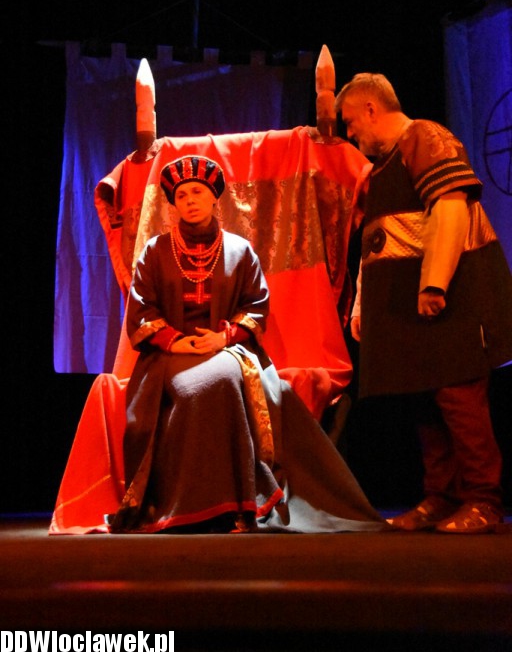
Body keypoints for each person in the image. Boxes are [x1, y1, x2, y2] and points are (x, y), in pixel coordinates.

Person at [107, 154, 387, 534]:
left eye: (197, 192)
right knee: (193, 388)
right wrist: (176, 341)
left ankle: (238, 503)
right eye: (182, 195)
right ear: (173, 204)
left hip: (228, 349)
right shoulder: (155, 252)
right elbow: (141, 312)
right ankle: (187, 504)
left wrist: (222, 337)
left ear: (213, 198)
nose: (190, 200)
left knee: (222, 379)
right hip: (167, 355)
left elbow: (256, 307)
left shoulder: (240, 250)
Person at [335, 73, 512, 534]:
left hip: (451, 295)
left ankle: (483, 499)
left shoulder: (424, 137)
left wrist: (434, 283)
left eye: (351, 122)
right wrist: (362, 307)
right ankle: (441, 495)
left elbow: (450, 207)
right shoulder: (382, 167)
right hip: (408, 306)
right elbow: (376, 240)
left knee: (459, 397)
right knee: (423, 399)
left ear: (371, 109)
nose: (350, 134)